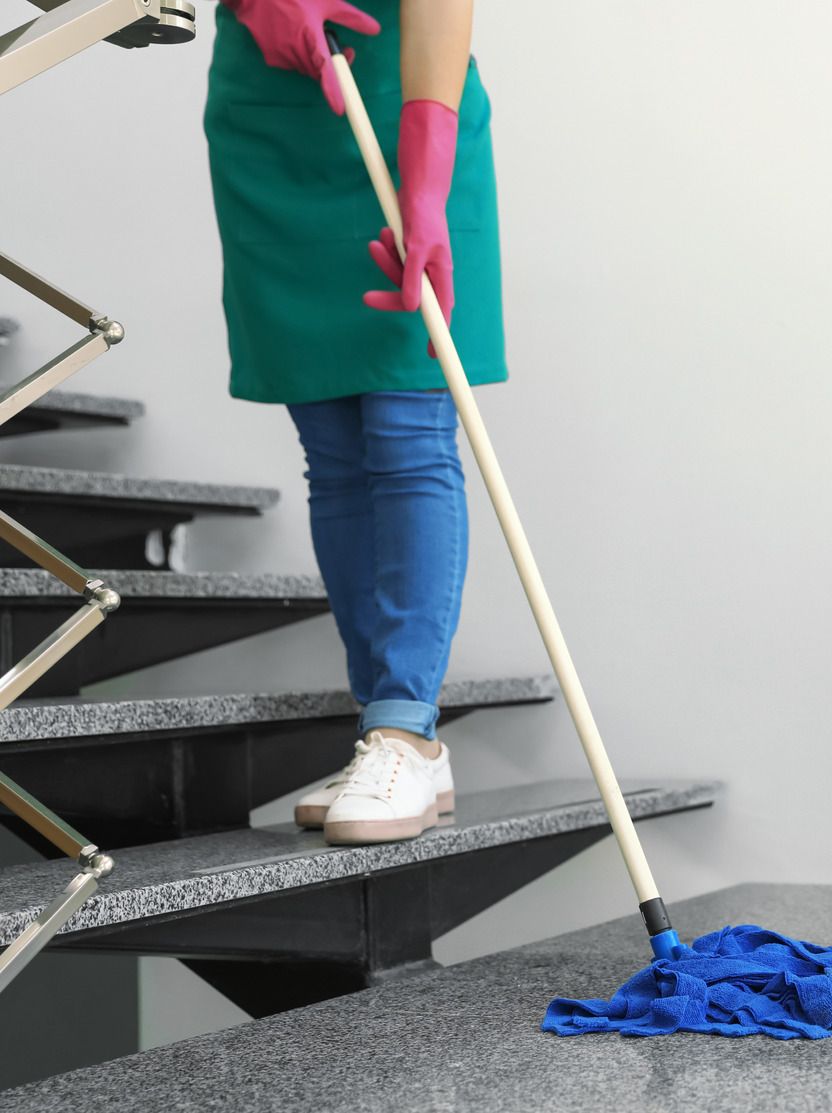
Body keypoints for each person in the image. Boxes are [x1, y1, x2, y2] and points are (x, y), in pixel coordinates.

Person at [203, 0, 506, 844]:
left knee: (409, 434)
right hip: (272, 122)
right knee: (332, 452)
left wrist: (429, 175)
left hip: (406, 98)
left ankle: (405, 725)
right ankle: (388, 730)